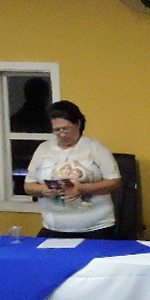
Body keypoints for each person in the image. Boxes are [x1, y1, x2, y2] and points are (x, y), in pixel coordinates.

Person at [22, 100, 122, 238]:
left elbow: (114, 181)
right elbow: (28, 186)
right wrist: (42, 189)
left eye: (66, 128)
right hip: (53, 227)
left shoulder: (94, 147)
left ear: (78, 124)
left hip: (95, 227)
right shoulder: (43, 149)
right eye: (57, 130)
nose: (62, 134)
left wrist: (82, 189)